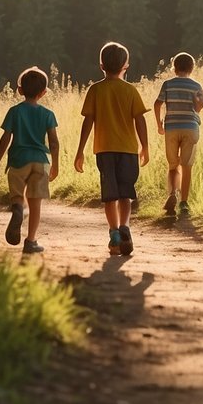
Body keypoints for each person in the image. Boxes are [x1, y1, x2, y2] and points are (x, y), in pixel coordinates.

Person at [74, 42, 149, 256]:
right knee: (126, 194)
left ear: (101, 65)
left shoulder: (96, 90)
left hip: (105, 150)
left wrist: (80, 151)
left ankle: (114, 234)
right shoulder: (131, 90)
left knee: (110, 196)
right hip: (128, 150)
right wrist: (145, 146)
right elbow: (140, 121)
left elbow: (88, 122)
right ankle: (125, 225)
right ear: (126, 65)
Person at [0, 66, 60, 255]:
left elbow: (5, 138)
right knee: (36, 203)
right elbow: (54, 143)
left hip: (18, 161)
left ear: (19, 90)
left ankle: (17, 209)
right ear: (44, 93)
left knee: (18, 197)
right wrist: (55, 164)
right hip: (39, 162)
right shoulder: (48, 114)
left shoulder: (14, 111)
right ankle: (31, 241)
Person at [153, 52, 203, 217]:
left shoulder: (168, 84)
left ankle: (171, 195)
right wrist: (198, 107)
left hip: (172, 128)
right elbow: (200, 104)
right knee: (187, 165)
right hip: (190, 127)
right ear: (192, 68)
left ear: (174, 67)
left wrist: (159, 124)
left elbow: (157, 103)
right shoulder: (196, 85)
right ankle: (184, 202)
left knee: (173, 165)